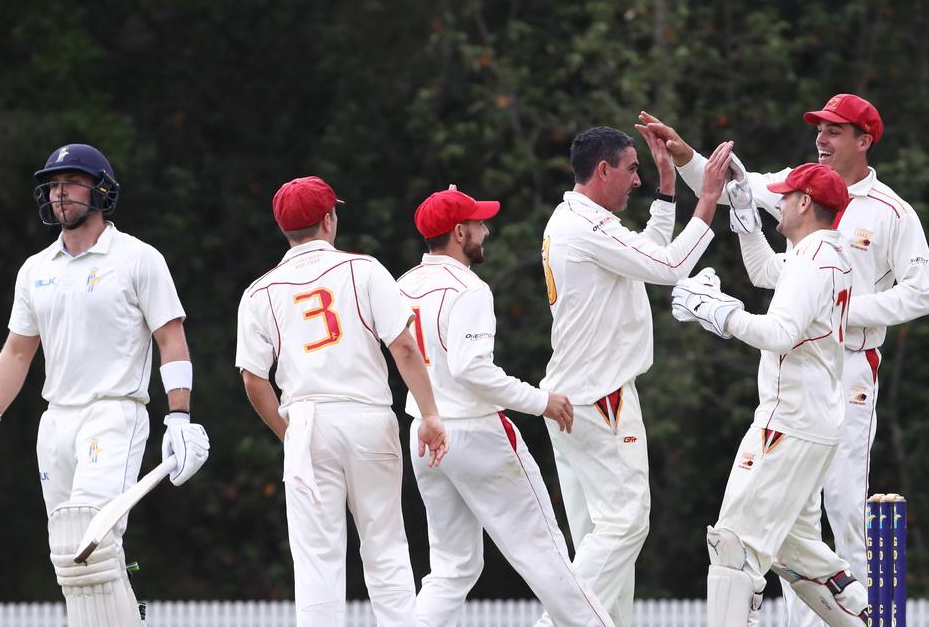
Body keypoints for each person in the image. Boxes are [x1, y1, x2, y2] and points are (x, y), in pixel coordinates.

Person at [640, 95, 929, 625]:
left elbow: (919, 295)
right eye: (819, 130)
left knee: (837, 508)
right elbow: (739, 192)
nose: (821, 140)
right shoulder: (810, 227)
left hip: (836, 375)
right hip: (801, 382)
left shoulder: (885, 214)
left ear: (864, 140)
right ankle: (857, 614)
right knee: (792, 535)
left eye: (835, 132)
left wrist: (726, 312)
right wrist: (689, 159)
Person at [0, 144, 209, 627]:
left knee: (89, 537)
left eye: (70, 182)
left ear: (101, 190)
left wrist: (179, 416)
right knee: (69, 556)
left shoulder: (137, 258)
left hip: (115, 412)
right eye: (52, 185)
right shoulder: (36, 270)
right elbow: (17, 351)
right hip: (57, 422)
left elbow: (171, 338)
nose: (58, 193)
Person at [536, 127, 733, 627]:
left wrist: (668, 188)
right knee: (625, 525)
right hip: (600, 398)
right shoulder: (588, 228)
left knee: (602, 545)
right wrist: (706, 198)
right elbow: (668, 267)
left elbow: (646, 256)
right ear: (603, 170)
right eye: (632, 170)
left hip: (571, 396)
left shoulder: (576, 219)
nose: (637, 180)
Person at [235, 176, 450, 627]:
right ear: (329, 218)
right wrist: (430, 414)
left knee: (317, 560)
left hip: (307, 419)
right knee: (386, 549)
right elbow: (405, 348)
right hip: (368, 415)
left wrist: (288, 433)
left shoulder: (259, 292)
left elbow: (254, 379)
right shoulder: (364, 269)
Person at [399, 186, 614, 627]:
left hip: (424, 433)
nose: (486, 230)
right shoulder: (469, 288)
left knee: (453, 568)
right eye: (478, 223)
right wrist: (541, 402)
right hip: (475, 433)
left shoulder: (402, 286)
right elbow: (471, 369)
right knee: (546, 555)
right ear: (459, 232)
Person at [671, 163, 868, 627]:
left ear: (805, 203)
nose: (777, 201)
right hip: (813, 424)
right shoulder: (828, 255)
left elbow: (779, 333)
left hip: (789, 423)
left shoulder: (813, 259)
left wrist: (717, 312)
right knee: (791, 550)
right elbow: (763, 271)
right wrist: (744, 217)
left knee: (733, 547)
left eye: (784, 196)